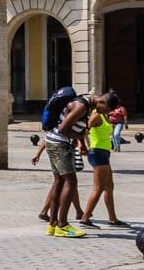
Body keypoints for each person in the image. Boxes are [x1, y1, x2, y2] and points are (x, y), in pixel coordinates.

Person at [33, 91, 105, 238]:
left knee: (59, 182)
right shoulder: (81, 106)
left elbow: (72, 127)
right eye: (106, 109)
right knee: (70, 182)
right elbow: (63, 129)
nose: (105, 113)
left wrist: (80, 142)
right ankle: (63, 225)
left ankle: (53, 224)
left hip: (55, 142)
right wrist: (80, 138)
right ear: (101, 102)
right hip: (60, 144)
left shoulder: (86, 104)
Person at [80, 92, 131, 228]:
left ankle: (112, 218)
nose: (109, 112)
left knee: (109, 186)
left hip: (104, 152)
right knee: (99, 188)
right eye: (108, 109)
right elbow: (84, 130)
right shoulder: (96, 115)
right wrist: (84, 145)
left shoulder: (103, 114)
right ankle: (85, 218)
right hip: (97, 152)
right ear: (102, 103)